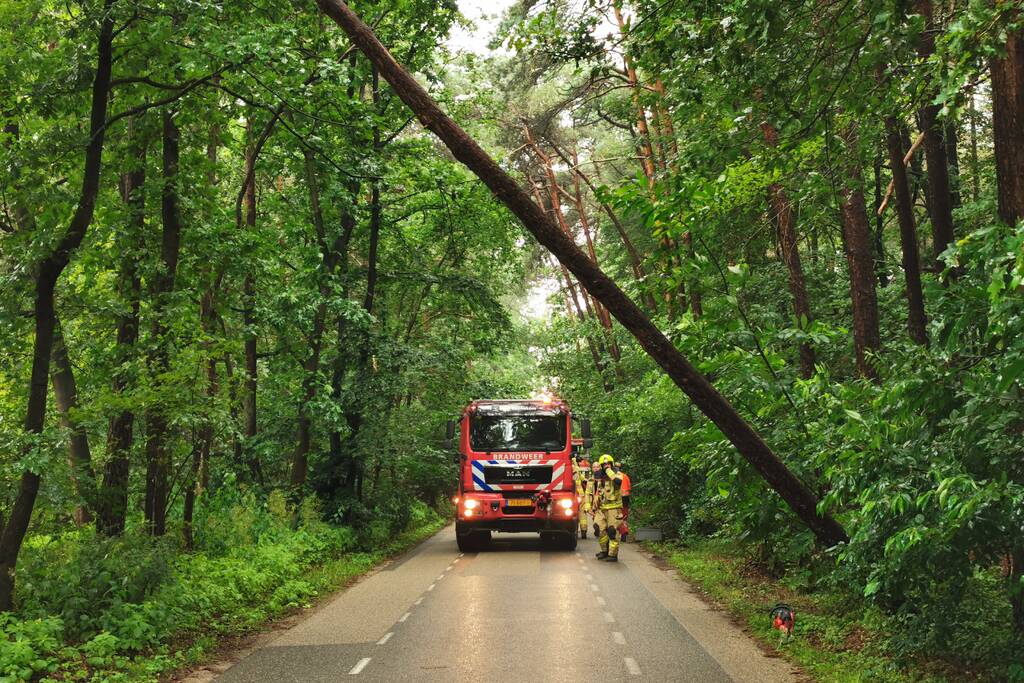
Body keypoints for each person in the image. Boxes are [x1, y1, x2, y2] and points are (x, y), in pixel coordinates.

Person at [593, 454, 626, 562]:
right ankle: (604, 551)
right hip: (602, 508)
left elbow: (618, 482)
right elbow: (597, 491)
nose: (606, 466)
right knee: (599, 528)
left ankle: (613, 554)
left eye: (608, 464)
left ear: (611, 464)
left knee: (612, 531)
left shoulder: (617, 474)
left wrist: (608, 471)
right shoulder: (599, 477)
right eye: (604, 464)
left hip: (614, 508)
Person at [576, 458, 591, 538]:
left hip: (573, 495)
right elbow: (584, 480)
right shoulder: (577, 470)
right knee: (582, 513)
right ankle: (583, 531)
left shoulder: (568, 469)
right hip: (580, 495)